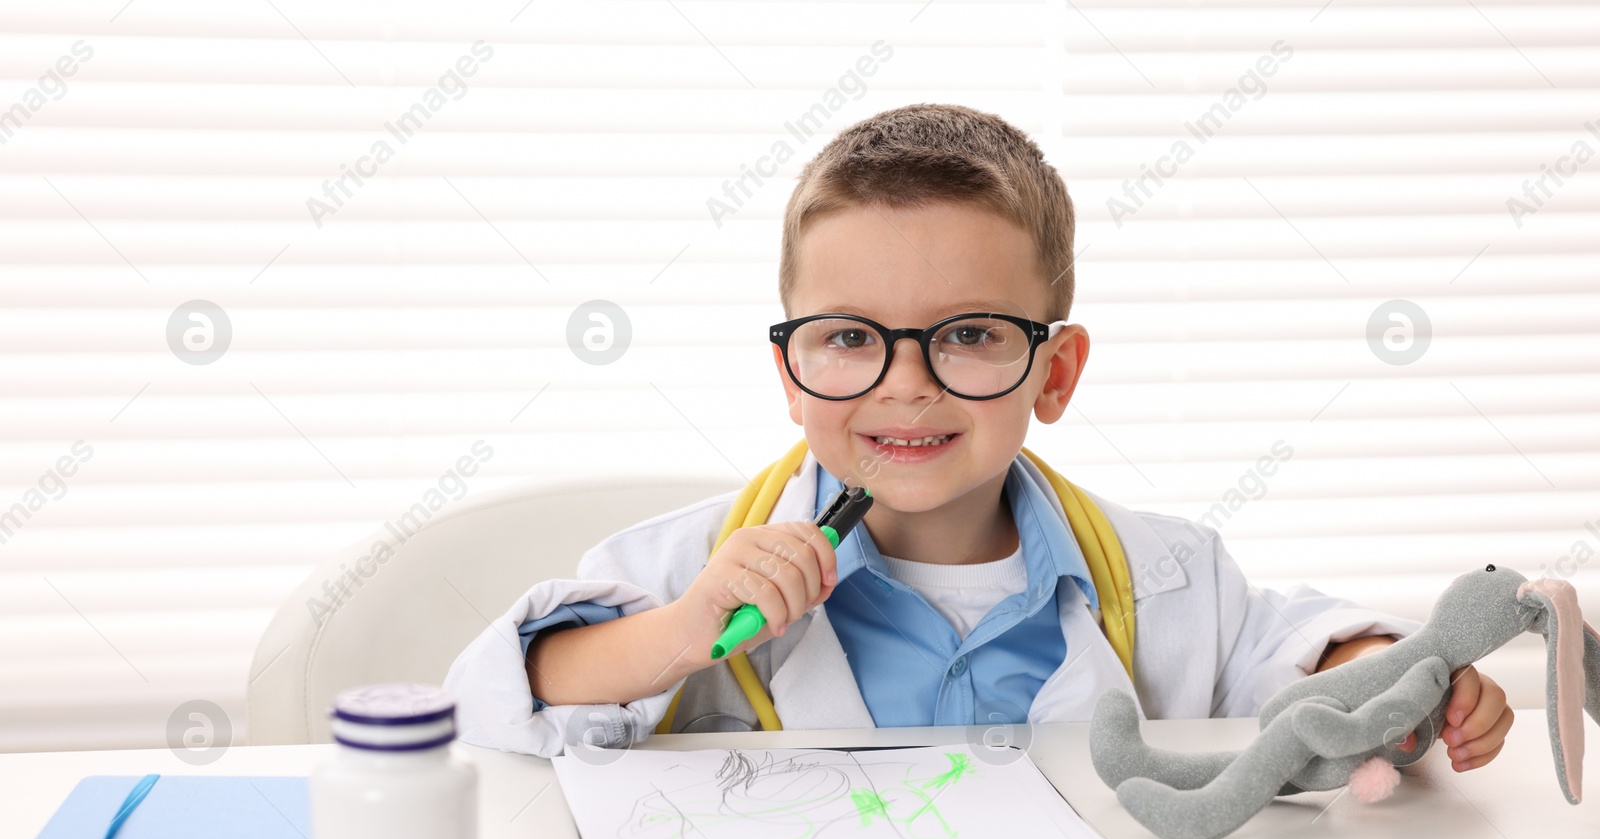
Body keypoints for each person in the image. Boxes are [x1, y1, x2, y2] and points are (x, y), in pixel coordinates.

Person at [444, 103, 1513, 768]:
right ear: (789, 370)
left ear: (1054, 371)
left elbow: (1292, 657)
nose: (904, 387)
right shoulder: (682, 571)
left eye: (966, 334)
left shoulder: (1169, 574)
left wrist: (1392, 673)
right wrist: (675, 634)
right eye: (851, 337)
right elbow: (494, 702)